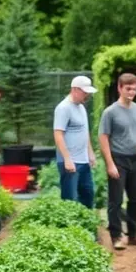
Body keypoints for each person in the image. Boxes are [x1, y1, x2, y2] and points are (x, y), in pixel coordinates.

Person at [98, 73, 136, 250]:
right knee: (116, 200)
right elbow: (103, 138)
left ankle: (134, 234)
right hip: (118, 159)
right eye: (128, 88)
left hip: (135, 159)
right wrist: (110, 164)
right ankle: (116, 236)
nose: (131, 92)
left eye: (134, 89)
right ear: (119, 88)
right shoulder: (110, 112)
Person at [54, 75, 97, 208]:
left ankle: (86, 226)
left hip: (83, 161)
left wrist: (90, 153)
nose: (87, 95)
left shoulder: (81, 107)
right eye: (85, 92)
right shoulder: (63, 108)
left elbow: (85, 131)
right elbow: (58, 134)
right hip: (70, 163)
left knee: (88, 195)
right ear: (75, 90)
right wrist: (67, 159)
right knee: (70, 200)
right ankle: (70, 228)